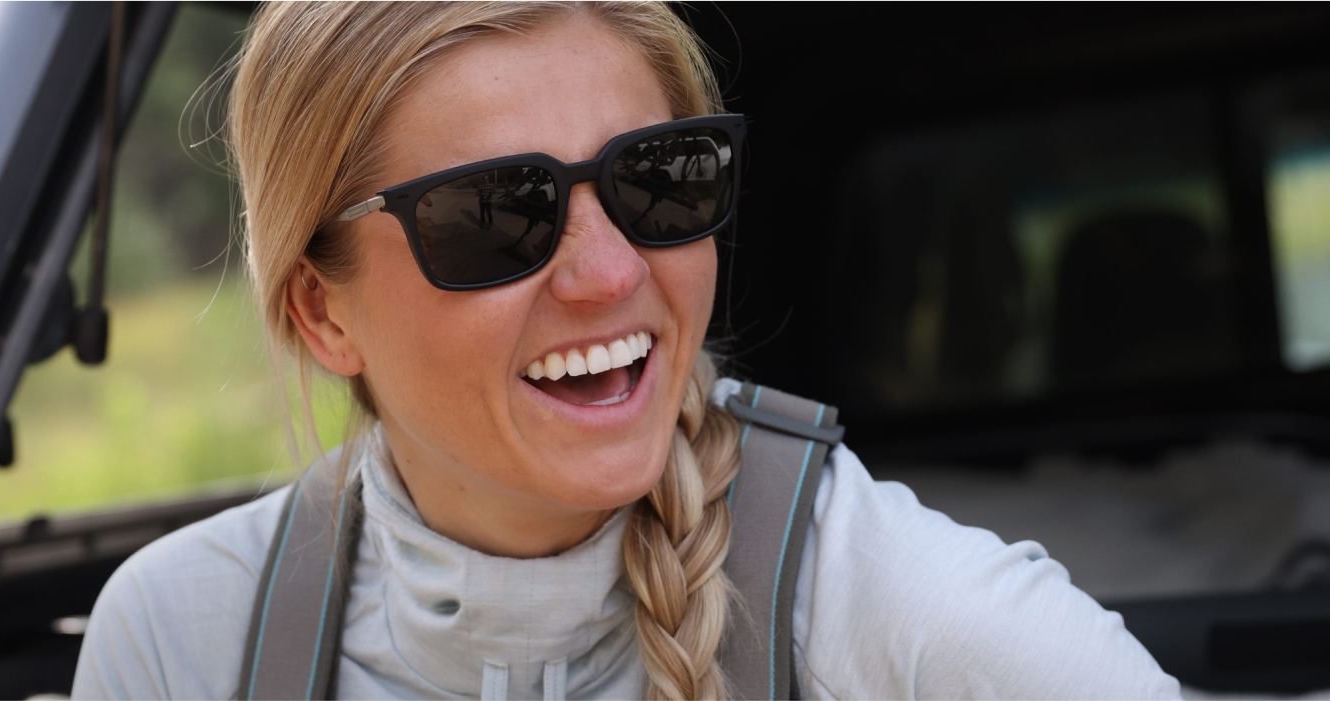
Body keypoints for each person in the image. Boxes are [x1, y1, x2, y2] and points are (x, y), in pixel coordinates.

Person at [71, 3, 1180, 699]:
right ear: (321, 312)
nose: (609, 274)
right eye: (497, 214)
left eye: (660, 175)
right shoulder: (179, 638)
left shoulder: (905, 618)